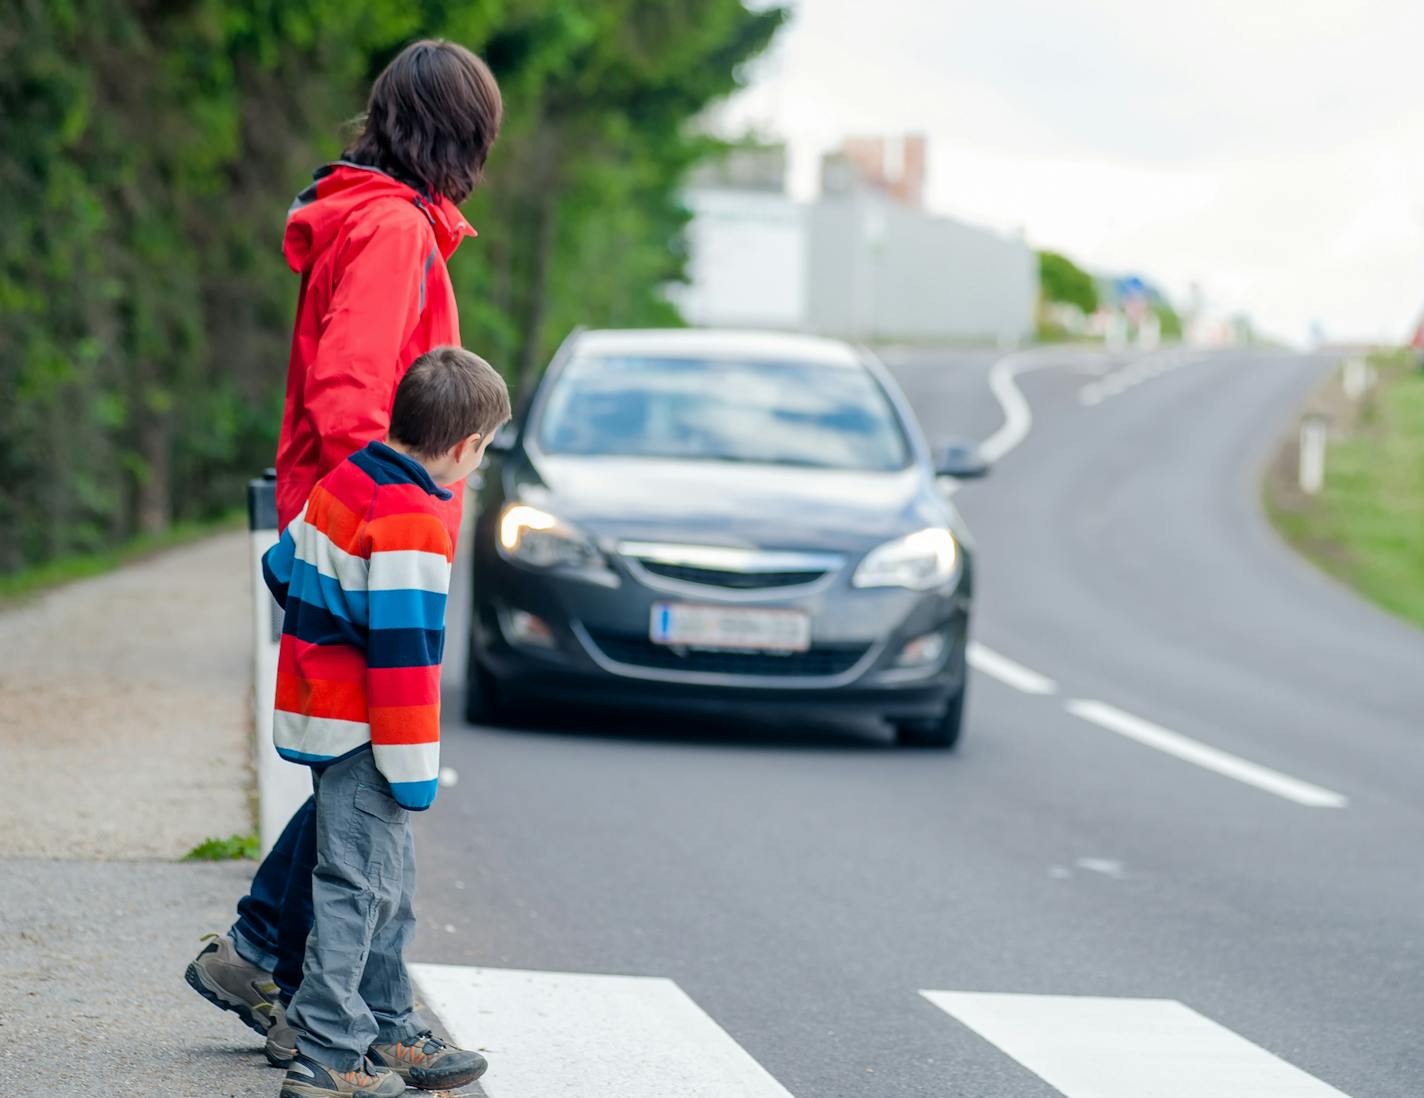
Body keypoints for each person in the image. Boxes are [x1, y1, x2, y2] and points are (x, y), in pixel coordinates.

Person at [183, 37, 501, 1072]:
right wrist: (398, 513)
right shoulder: (392, 230)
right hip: (366, 534)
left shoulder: (370, 217)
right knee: (367, 774)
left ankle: (263, 955)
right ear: (460, 137)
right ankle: (331, 1017)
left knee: (354, 774)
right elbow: (350, 398)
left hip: (340, 521)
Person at [266, 347, 510, 1098]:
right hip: (369, 730)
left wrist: (332, 613)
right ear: (466, 448)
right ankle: (331, 1051)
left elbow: (283, 565)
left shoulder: (348, 479)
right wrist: (414, 772)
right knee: (356, 886)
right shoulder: (413, 520)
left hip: (318, 708)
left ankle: (391, 1024)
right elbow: (404, 663)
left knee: (383, 880)